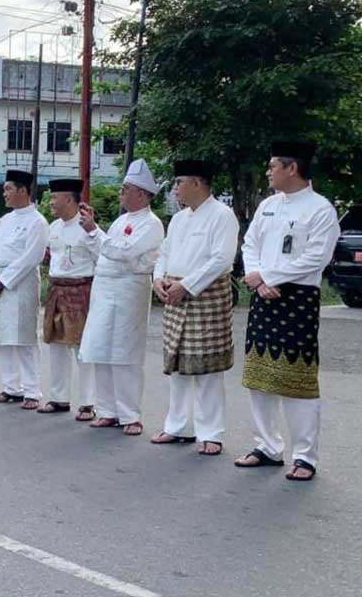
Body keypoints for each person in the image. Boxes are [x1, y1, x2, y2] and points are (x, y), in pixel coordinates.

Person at [234, 141, 339, 482]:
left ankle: (305, 457)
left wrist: (268, 276)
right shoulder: (268, 205)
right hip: (264, 294)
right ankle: (266, 446)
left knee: (297, 379)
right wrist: (258, 280)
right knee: (259, 377)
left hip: (298, 297)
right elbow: (250, 244)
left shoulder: (321, 209)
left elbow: (316, 258)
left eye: (272, 165)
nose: (268, 172)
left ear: (291, 168)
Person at [150, 160, 239, 456]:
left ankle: (210, 433)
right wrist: (158, 278)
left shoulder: (222, 215)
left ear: (198, 183)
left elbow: (221, 260)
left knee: (207, 368)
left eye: (180, 183)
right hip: (174, 292)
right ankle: (177, 427)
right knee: (177, 365)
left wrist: (186, 285)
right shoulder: (178, 219)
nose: (176, 189)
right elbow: (164, 253)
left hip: (205, 294)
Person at [78, 160, 165, 436]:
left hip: (129, 291)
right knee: (100, 350)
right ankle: (107, 410)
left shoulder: (151, 224)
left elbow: (125, 253)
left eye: (125, 189)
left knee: (124, 354)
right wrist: (94, 233)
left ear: (141, 193)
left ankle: (130, 414)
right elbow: (106, 250)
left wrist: (95, 231)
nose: (121, 193)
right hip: (105, 289)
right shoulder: (120, 221)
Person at [0, 169, 48, 409]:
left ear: (23, 190)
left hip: (21, 283)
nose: (4, 194)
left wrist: (4, 280)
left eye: (8, 189)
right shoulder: (3, 221)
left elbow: (31, 257)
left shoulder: (37, 222)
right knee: (5, 336)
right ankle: (12, 387)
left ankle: (32, 390)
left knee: (24, 337)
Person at [39, 178, 99, 418]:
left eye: (55, 198)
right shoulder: (53, 228)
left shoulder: (88, 228)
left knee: (82, 348)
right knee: (56, 345)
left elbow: (101, 259)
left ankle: (88, 403)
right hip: (56, 288)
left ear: (69, 199)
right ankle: (59, 398)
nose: (51, 202)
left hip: (80, 290)